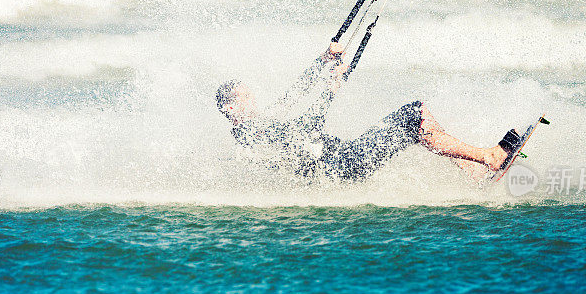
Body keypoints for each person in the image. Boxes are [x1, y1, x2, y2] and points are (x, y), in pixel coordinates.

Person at [215, 42, 524, 181]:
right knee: (413, 115)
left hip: (342, 159)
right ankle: (488, 158)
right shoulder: (250, 131)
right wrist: (330, 90)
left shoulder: (258, 124)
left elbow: (291, 96)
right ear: (230, 107)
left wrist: (322, 61)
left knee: (415, 118)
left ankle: (471, 167)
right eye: (244, 98)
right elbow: (306, 127)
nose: (252, 100)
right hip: (341, 167)